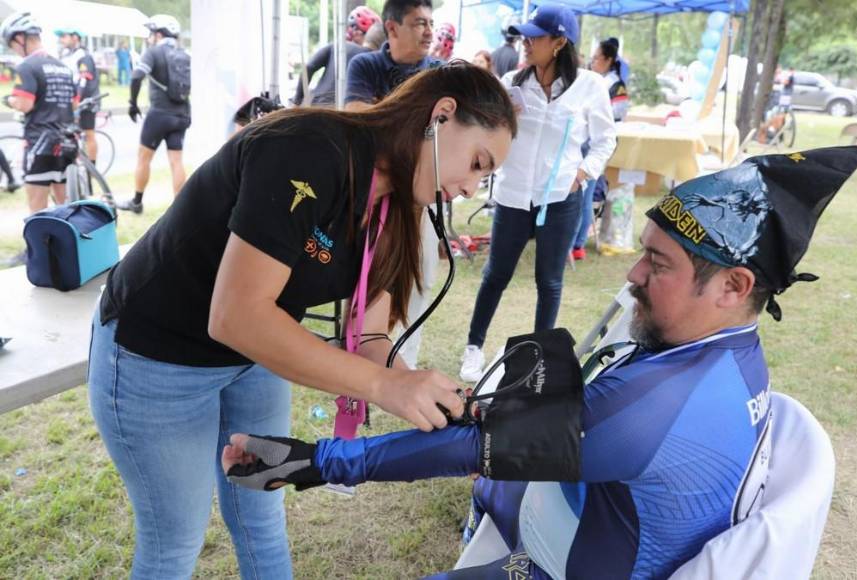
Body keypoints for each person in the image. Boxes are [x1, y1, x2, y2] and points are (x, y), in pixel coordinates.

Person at [221, 146, 857, 579]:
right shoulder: (736, 357)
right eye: (644, 252)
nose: (635, 274)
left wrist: (316, 462)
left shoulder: (657, 409)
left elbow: (472, 448)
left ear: (731, 287)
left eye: (659, 265)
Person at [88, 63, 516, 579]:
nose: (471, 187)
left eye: (483, 177)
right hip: (158, 354)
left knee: (261, 509)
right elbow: (236, 316)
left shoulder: (396, 204)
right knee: (175, 542)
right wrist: (384, 385)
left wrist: (434, 403)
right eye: (476, 162)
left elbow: (371, 335)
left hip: (255, 358)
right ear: (441, 115)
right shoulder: (309, 148)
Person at [459, 5, 616, 382]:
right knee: (495, 274)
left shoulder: (589, 86)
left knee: (549, 281)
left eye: (535, 37)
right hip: (514, 196)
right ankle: (473, 348)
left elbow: (605, 139)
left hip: (562, 198)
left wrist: (582, 174)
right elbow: (492, 131)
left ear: (560, 42)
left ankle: (538, 355)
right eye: (524, 36)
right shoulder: (513, 81)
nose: (525, 43)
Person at [346, 0, 444, 369]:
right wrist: (416, 124)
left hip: (421, 198)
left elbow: (445, 138)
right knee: (366, 275)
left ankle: (404, 360)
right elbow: (356, 119)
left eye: (431, 22)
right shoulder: (366, 64)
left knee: (420, 277)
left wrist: (384, 113)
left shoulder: (439, 73)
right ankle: (361, 354)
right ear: (392, 28)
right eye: (420, 22)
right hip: (375, 192)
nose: (429, 31)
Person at [1, 12, 76, 221]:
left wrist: (9, 100)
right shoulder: (63, 67)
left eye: (12, 43)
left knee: (38, 208)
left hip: (40, 143)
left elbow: (25, 104)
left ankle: (37, 252)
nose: (13, 49)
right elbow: (74, 104)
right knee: (65, 207)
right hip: (67, 142)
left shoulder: (27, 66)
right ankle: (66, 250)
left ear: (21, 38)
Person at [117, 14, 190, 214]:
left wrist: (132, 103)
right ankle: (180, 210)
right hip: (182, 113)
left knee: (143, 158)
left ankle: (137, 202)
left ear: (158, 33)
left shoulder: (153, 52)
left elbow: (136, 77)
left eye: (151, 33)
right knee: (176, 161)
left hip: (159, 113)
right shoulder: (185, 54)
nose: (149, 37)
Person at [571, 36, 630, 261]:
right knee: (582, 194)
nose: (593, 62)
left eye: (597, 58)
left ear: (608, 60)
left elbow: (617, 116)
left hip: (596, 143)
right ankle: (576, 243)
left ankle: (576, 243)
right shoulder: (597, 80)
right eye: (592, 58)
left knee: (584, 194)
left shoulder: (615, 84)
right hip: (586, 141)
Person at [293, 6, 381, 107]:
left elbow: (309, 67)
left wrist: (297, 101)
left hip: (314, 106)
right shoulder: (372, 60)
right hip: (339, 114)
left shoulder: (336, 45)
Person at [56, 27, 100, 175]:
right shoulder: (67, 55)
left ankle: (91, 171)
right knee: (70, 135)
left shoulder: (83, 56)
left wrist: (78, 102)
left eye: (64, 36)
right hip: (71, 101)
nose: (61, 39)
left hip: (86, 101)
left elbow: (83, 80)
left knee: (89, 134)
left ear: (75, 37)